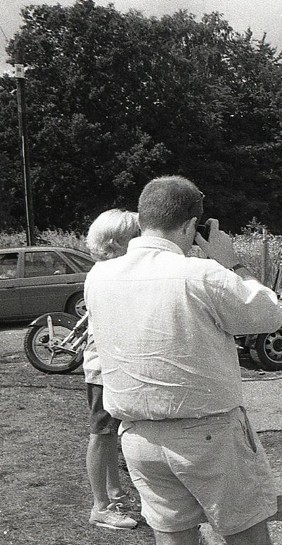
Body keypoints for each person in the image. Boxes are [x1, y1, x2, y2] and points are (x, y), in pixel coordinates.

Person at [84, 175, 282, 545]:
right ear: (192, 226)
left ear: (142, 219)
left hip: (139, 435)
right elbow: (270, 315)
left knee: (174, 537)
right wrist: (233, 264)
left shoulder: (99, 276)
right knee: (247, 536)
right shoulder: (202, 274)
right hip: (206, 433)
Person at [84, 209, 141, 530]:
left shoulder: (104, 271)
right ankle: (101, 507)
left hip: (106, 365)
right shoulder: (108, 275)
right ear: (116, 243)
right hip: (103, 368)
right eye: (135, 236)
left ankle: (114, 493)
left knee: (107, 434)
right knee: (101, 435)